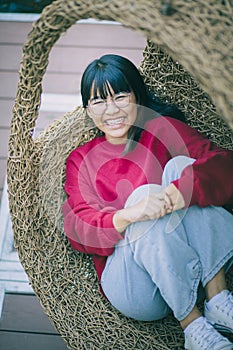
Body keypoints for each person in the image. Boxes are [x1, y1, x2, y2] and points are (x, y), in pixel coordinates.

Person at [62, 54, 233, 350]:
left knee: (183, 167)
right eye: (99, 101)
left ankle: (218, 299)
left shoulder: (162, 130)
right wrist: (130, 214)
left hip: (191, 268)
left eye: (120, 96)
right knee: (142, 198)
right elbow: (79, 227)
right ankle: (192, 325)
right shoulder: (82, 160)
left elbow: (224, 166)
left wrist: (180, 192)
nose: (111, 110)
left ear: (137, 97)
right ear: (88, 110)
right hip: (136, 288)